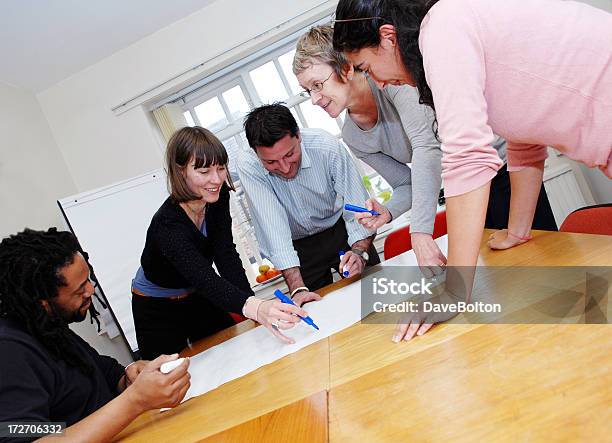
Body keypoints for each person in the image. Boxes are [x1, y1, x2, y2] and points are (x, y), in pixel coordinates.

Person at [333, 0, 611, 339]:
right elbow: (524, 140)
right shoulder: (451, 30)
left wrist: (454, 290)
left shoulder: (443, 28)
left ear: (388, 38)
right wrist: (517, 231)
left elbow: (466, 157)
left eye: (364, 66)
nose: (374, 79)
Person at [292, 25, 557, 276]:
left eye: (318, 84)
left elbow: (427, 147)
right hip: (464, 185)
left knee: (545, 264)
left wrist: (420, 232)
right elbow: (406, 183)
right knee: (503, 279)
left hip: (502, 169)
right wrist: (387, 211)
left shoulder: (390, 82)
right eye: (307, 91)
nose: (314, 100)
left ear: (346, 68)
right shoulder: (353, 135)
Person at [0, 228, 190, 443]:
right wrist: (136, 400)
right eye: (79, 289)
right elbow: (28, 436)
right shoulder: (9, 351)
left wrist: (129, 377)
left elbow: (104, 375)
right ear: (42, 301)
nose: (90, 290)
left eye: (88, 280)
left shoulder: (48, 326)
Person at [132, 126, 309, 354]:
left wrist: (253, 306)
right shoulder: (167, 225)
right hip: (156, 305)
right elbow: (204, 277)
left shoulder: (218, 196)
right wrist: (256, 308)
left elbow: (225, 254)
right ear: (181, 171)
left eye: (221, 168)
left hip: (197, 292)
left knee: (232, 351)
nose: (216, 179)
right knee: (168, 373)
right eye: (204, 172)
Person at [237, 103, 380, 300]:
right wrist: (297, 288)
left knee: (376, 295)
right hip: (298, 249)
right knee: (315, 312)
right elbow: (273, 227)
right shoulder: (248, 165)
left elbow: (358, 206)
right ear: (256, 153)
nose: (285, 168)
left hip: (341, 231)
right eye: (271, 162)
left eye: (289, 154)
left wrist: (359, 252)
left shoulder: (326, 147)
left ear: (299, 136)